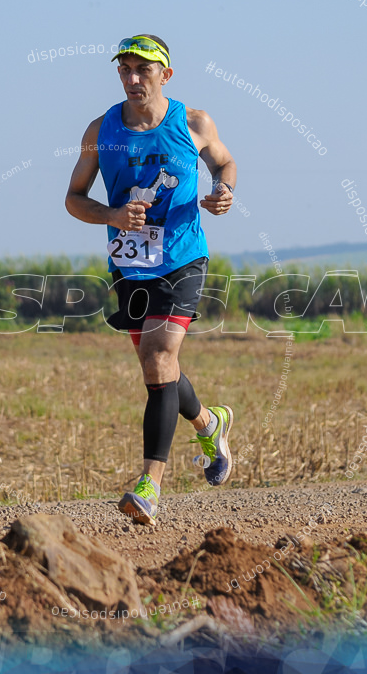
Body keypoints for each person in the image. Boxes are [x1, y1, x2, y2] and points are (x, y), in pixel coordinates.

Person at [65, 35, 238, 526]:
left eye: (143, 69)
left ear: (166, 74)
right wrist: (113, 215)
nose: (132, 78)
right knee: (156, 366)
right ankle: (209, 423)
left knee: (160, 357)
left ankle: (149, 485)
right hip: (130, 262)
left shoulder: (193, 122)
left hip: (182, 256)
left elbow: (224, 162)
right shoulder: (102, 131)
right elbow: (74, 198)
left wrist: (223, 189)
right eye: (124, 69)